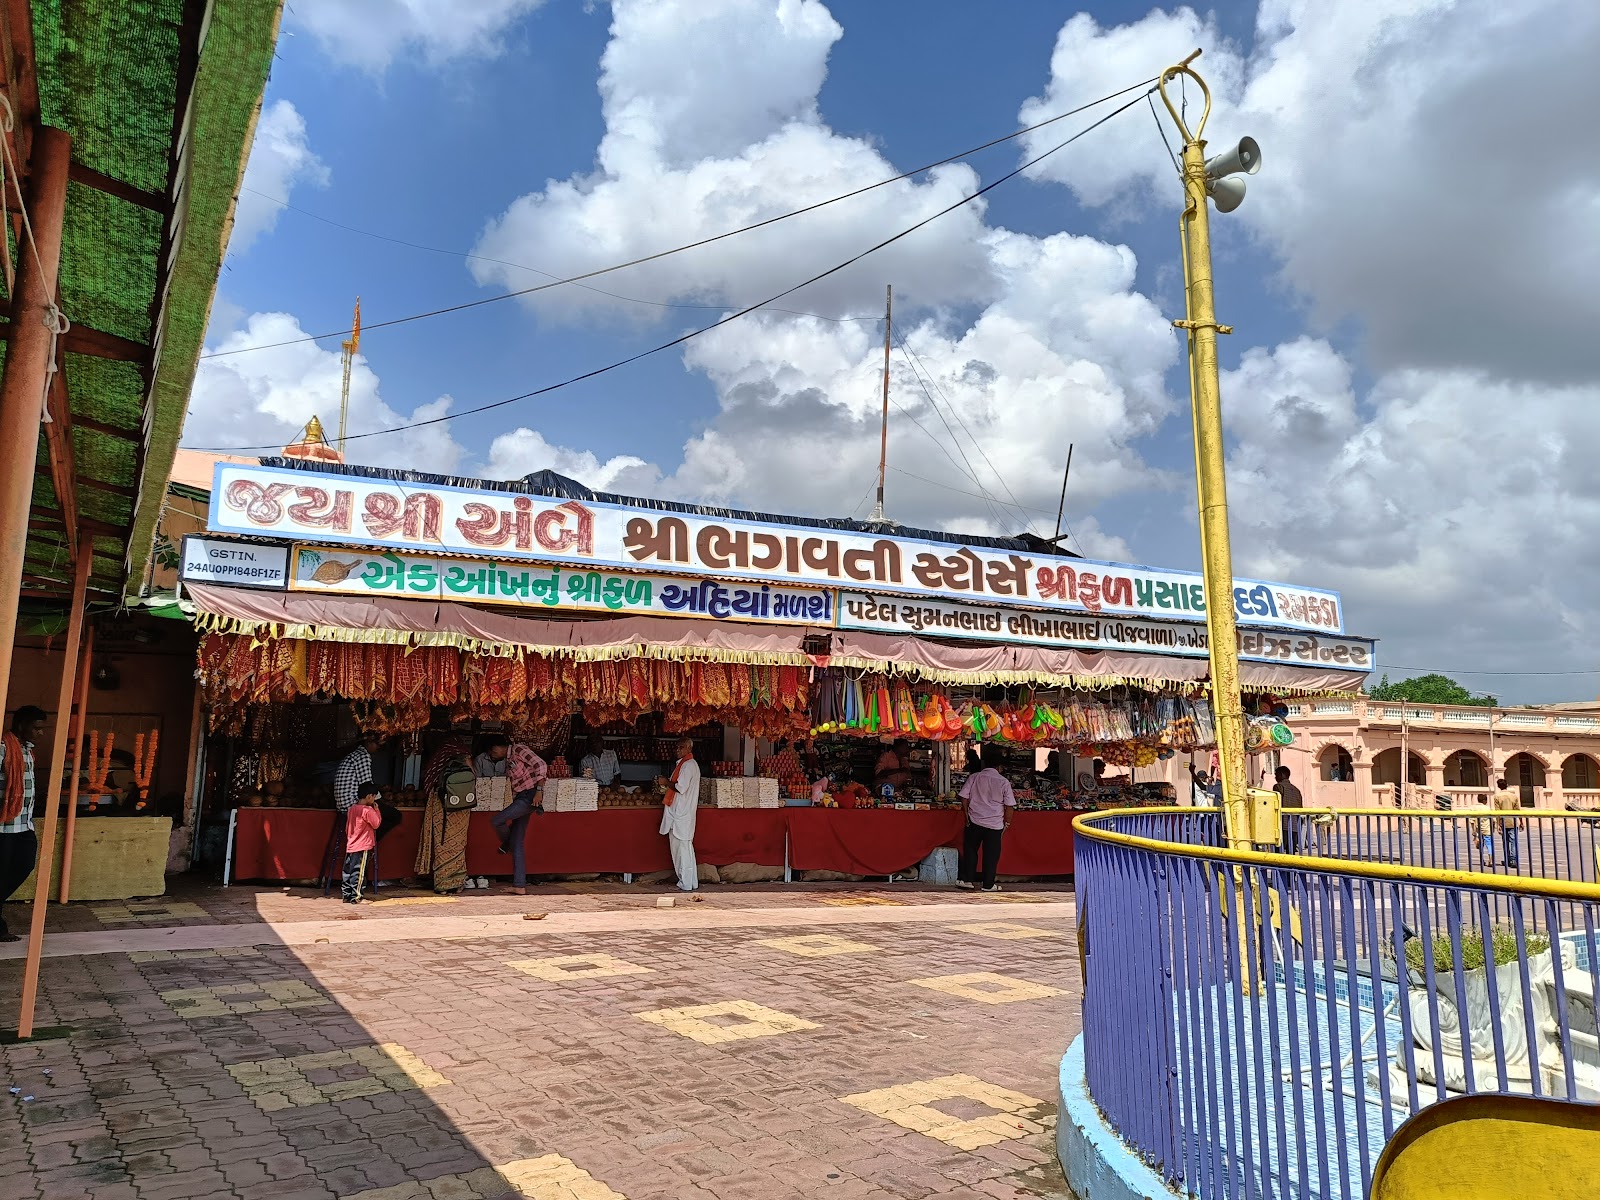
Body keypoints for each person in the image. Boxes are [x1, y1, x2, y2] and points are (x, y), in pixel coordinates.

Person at [0, 706, 47, 943]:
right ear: (21, 726)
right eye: (36, 728)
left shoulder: (27, 751)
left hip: (23, 824)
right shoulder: (4, 747)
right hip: (3, 826)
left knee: (24, 865)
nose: (40, 733)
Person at [487, 734, 548, 895]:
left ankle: (506, 844)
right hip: (521, 797)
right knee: (518, 842)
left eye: (492, 753)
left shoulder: (519, 750)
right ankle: (519, 885)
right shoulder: (508, 762)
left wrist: (539, 792)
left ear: (497, 748)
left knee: (497, 821)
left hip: (530, 797)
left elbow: (541, 765)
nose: (492, 756)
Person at [416, 732, 474, 894]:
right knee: (459, 845)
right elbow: (473, 777)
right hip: (462, 809)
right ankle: (458, 883)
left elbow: (429, 781)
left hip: (441, 807)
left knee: (442, 844)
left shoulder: (440, 757)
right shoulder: (465, 756)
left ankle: (443, 884)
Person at [958, 743, 1015, 891]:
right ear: (1000, 767)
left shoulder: (974, 777)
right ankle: (988, 884)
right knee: (991, 855)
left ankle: (968, 880)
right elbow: (1009, 806)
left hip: (974, 820)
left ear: (984, 764)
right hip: (995, 824)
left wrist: (966, 815)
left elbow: (964, 797)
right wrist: (1007, 824)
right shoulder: (1004, 782)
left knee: (970, 850)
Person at [659, 738, 701, 891]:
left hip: (681, 815)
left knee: (681, 851)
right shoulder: (686, 765)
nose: (677, 750)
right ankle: (690, 882)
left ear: (689, 748)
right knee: (685, 850)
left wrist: (665, 782)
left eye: (681, 747)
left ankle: (685, 883)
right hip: (681, 814)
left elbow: (680, 787)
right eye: (677, 747)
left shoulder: (688, 766)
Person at [342, 782, 383, 903]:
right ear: (369, 796)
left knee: (348, 871)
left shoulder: (352, 809)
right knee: (359, 872)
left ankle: (346, 894)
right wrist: (376, 809)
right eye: (374, 796)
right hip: (362, 845)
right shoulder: (367, 811)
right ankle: (357, 896)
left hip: (351, 844)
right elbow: (376, 824)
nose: (374, 799)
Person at [335, 734, 383, 813]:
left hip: (342, 805)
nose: (378, 747)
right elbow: (367, 785)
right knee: (394, 815)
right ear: (368, 743)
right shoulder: (363, 756)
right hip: (352, 805)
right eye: (377, 744)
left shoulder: (354, 755)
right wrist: (379, 800)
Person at [1492, 777, 1522, 869]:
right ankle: (1513, 860)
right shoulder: (1514, 796)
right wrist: (1521, 821)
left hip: (1503, 821)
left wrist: (1498, 824)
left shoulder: (1497, 797)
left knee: (1505, 841)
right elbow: (1517, 810)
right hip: (1513, 821)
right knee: (1513, 841)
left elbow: (1498, 812)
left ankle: (1507, 858)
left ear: (1498, 786)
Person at [1275, 765, 1304, 852]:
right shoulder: (1296, 790)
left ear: (1282, 774)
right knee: (1291, 852)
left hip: (1282, 824)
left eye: (1276, 775)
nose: (1275, 777)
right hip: (1295, 825)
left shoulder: (1278, 786)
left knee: (1279, 852)